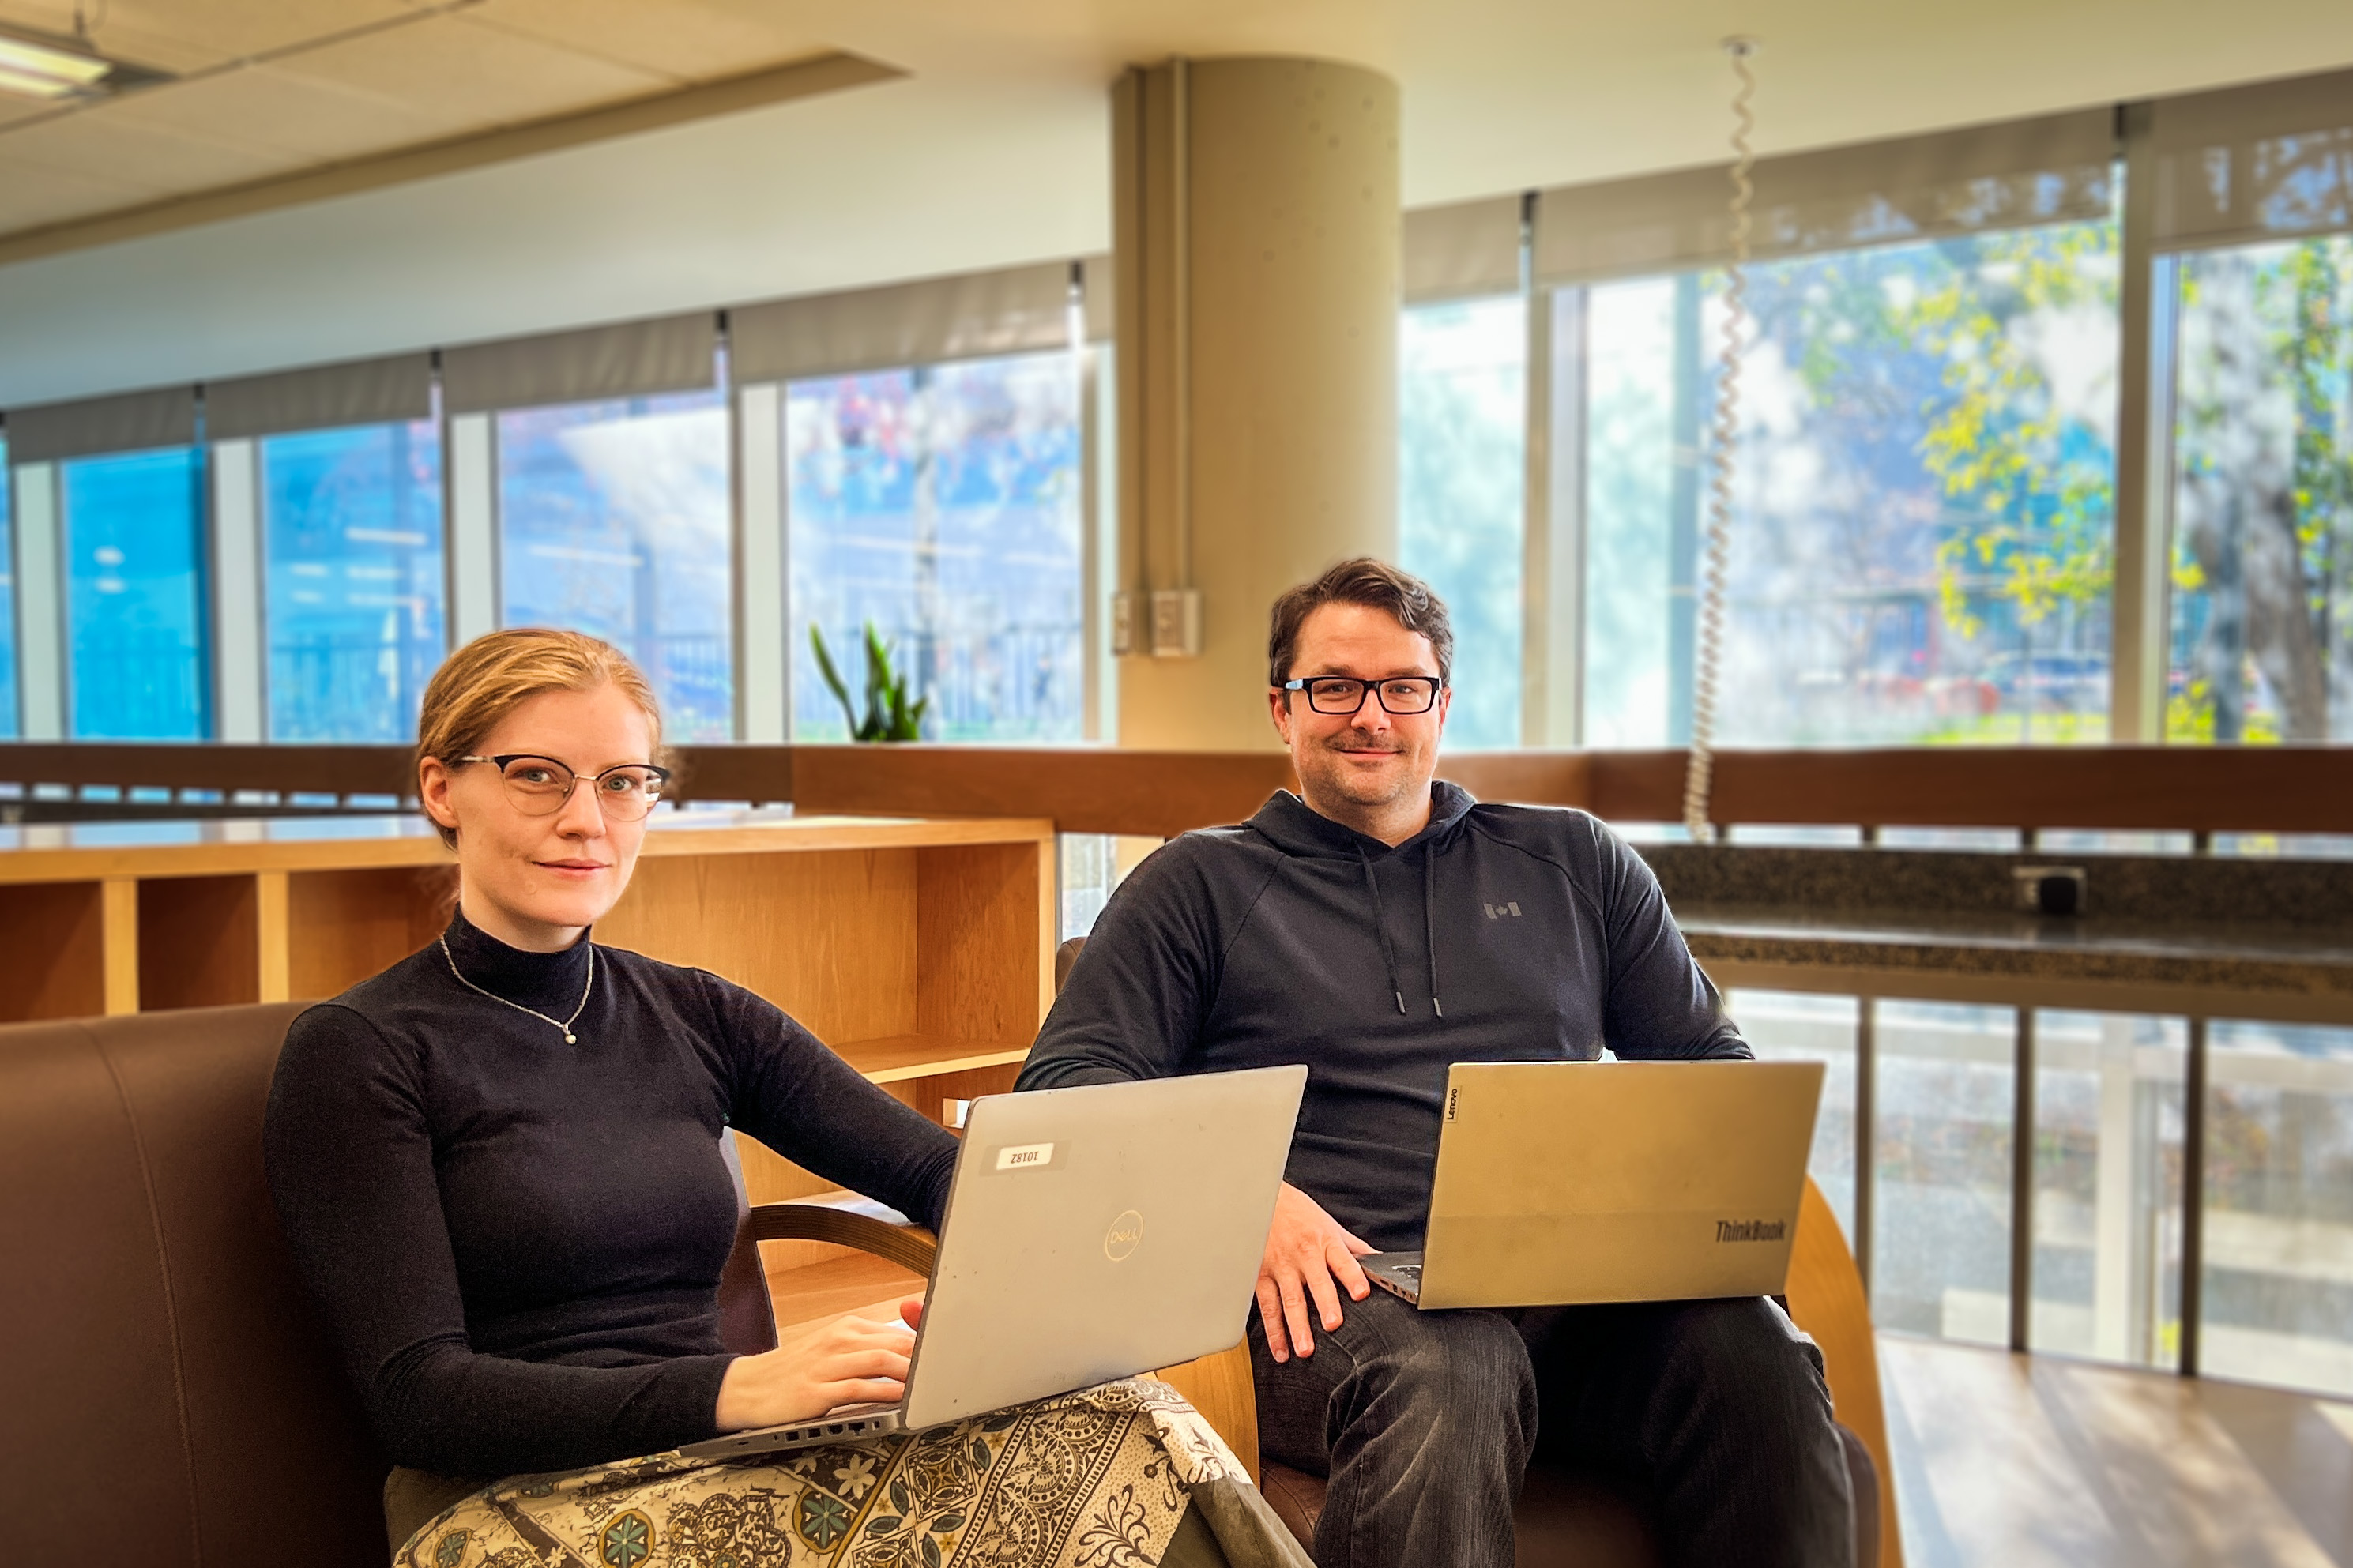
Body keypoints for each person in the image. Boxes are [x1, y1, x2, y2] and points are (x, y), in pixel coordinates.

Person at [266, 628, 1291, 1568]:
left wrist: (1096, 1239)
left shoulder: (696, 1013)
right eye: (537, 776)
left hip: (721, 1453)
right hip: (501, 1505)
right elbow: (419, 1400)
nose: (585, 820)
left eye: (622, 782)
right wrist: (733, 1387)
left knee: (1132, 1422)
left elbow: (936, 1175)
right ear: (443, 789)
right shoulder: (359, 1052)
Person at [1017, 558, 1854, 1568]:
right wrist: (1245, 1197)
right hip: (1333, 1307)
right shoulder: (1193, 883)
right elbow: (1063, 1091)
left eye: (1401, 687)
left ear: (1440, 704)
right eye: (1333, 685)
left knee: (1753, 1349)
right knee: (1456, 1358)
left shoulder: (1576, 863)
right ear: (1281, 708)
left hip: (1570, 1299)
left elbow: (1710, 1069)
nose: (1370, 716)